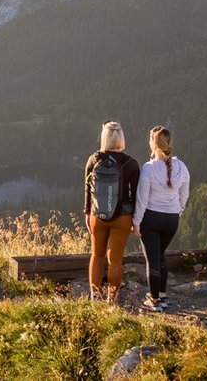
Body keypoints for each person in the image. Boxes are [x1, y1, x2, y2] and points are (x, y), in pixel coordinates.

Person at [83, 121, 141, 304]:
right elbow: (136, 195)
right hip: (122, 218)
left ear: (104, 138)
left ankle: (95, 296)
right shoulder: (131, 163)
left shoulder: (94, 159)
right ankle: (112, 299)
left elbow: (87, 189)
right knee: (115, 260)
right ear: (121, 137)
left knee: (97, 255)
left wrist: (87, 213)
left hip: (97, 216)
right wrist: (135, 219)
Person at [133, 125, 190, 311]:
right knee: (161, 255)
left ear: (153, 144)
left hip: (151, 219)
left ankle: (154, 300)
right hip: (171, 220)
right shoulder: (181, 167)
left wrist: (136, 222)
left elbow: (142, 199)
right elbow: (184, 195)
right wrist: (178, 211)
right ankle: (163, 296)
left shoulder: (149, 168)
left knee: (153, 259)